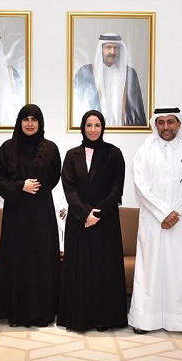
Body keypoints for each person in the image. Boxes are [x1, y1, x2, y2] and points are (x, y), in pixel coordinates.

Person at [129, 108, 182, 336]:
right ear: (155, 124)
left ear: (179, 124)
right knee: (149, 269)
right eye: (161, 122)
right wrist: (163, 213)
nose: (166, 127)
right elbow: (141, 187)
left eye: (171, 122)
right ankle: (145, 319)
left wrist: (175, 213)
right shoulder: (144, 152)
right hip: (153, 221)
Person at [0, 104, 62, 327]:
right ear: (19, 122)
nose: (30, 124)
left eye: (34, 119)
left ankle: (43, 314)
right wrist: (21, 186)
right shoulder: (7, 148)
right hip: (16, 215)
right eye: (25, 119)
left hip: (42, 214)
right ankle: (17, 313)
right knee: (17, 261)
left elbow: (53, 177)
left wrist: (37, 190)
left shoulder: (50, 148)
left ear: (40, 123)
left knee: (41, 261)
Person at [57, 110, 128, 332]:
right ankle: (80, 319)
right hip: (79, 222)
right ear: (83, 127)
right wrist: (85, 212)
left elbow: (116, 189)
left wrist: (96, 213)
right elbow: (68, 188)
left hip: (105, 222)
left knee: (103, 270)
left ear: (103, 127)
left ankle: (103, 319)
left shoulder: (114, 154)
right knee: (80, 271)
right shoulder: (72, 155)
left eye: (97, 125)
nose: (93, 129)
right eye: (89, 125)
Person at [73, 33, 147, 127]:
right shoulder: (85, 72)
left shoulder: (130, 73)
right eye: (108, 47)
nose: (112, 52)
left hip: (124, 132)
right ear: (101, 49)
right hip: (94, 132)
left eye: (116, 48)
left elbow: (137, 108)